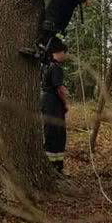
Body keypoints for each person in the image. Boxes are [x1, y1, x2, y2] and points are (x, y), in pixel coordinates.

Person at [41, 36, 69, 173]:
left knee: (57, 133)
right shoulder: (56, 68)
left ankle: (57, 165)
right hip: (53, 104)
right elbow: (60, 89)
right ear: (59, 52)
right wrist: (66, 103)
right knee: (54, 133)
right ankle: (53, 167)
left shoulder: (48, 66)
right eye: (65, 52)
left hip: (50, 103)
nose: (65, 55)